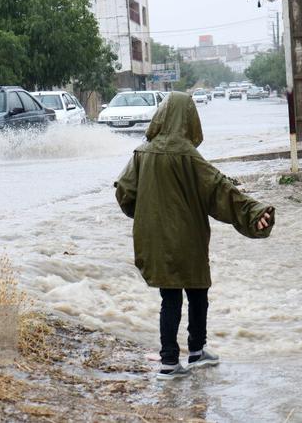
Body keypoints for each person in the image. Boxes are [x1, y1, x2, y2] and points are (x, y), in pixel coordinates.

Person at [114, 92, 275, 381]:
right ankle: (196, 351)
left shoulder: (142, 153)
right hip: (188, 238)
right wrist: (255, 212)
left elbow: (125, 193)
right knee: (198, 292)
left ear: (162, 115)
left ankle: (169, 361)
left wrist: (146, 217)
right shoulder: (190, 156)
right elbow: (220, 190)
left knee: (170, 297)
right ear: (189, 118)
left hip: (156, 239)